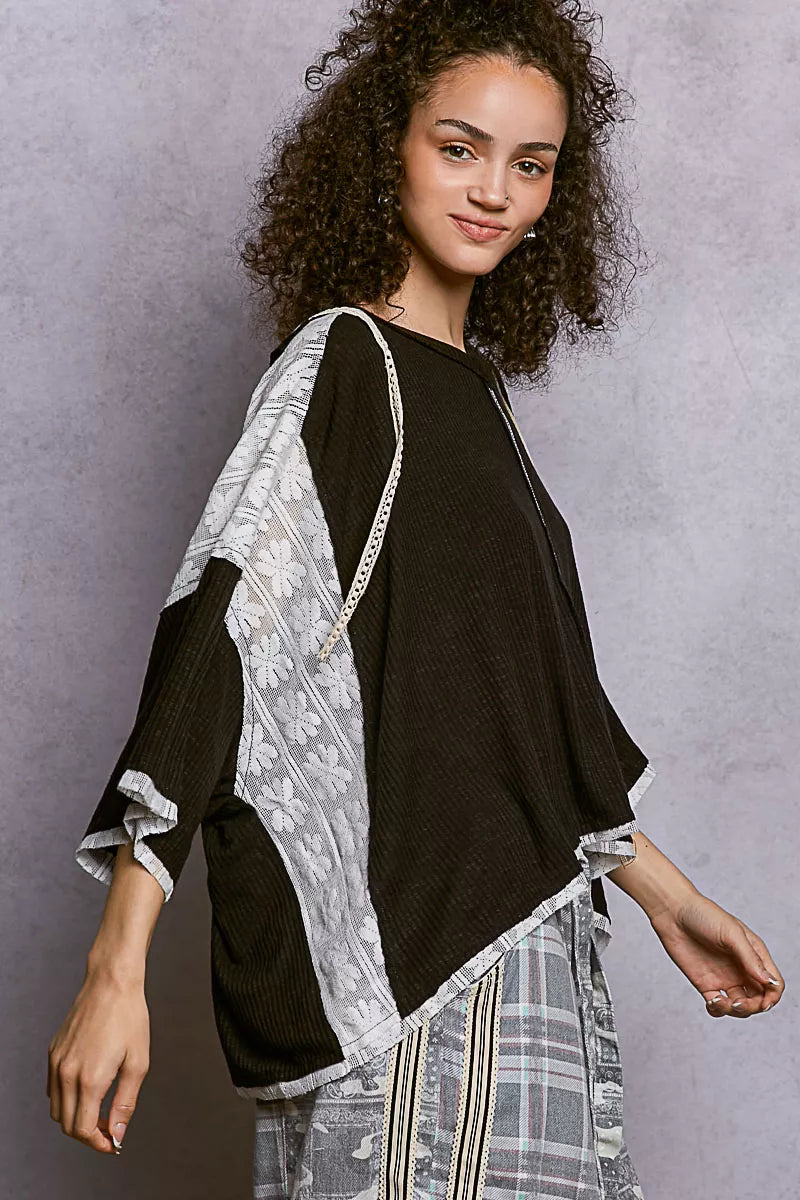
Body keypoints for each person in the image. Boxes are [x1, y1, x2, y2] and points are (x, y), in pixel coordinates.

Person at [48, 1, 785, 1196]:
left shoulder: (476, 400)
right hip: (415, 993)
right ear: (382, 146)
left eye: (529, 164)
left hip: (532, 954)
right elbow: (217, 643)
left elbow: (517, 710)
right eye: (458, 148)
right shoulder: (346, 365)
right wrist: (115, 963)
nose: (493, 191)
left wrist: (663, 897)